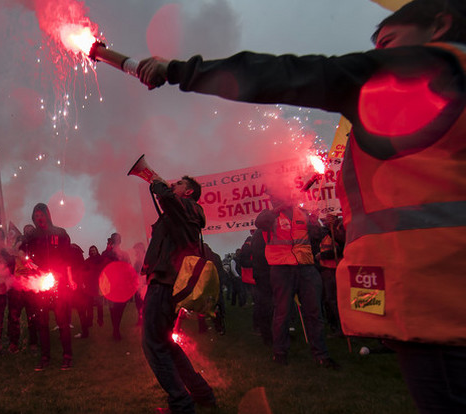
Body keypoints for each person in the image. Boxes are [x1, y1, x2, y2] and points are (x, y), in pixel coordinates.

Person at [137, 2, 466, 409]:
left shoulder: (416, 73)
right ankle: (275, 354)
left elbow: (285, 74)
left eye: (389, 41)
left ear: (441, 25)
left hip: (437, 294)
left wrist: (177, 70)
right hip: (431, 293)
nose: (378, 54)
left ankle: (207, 391)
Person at [141, 175, 216, 414]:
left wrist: (160, 186)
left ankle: (182, 404)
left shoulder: (190, 207)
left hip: (164, 282)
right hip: (166, 281)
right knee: (165, 344)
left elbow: (168, 199)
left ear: (189, 192)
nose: (174, 185)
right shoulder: (182, 211)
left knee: (153, 345)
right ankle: (201, 393)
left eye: (179, 185)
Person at [255, 191, 336, 368]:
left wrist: (317, 223)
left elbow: (315, 236)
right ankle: (280, 353)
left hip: (306, 267)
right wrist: (279, 208)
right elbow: (259, 222)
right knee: (283, 312)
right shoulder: (269, 215)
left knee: (314, 312)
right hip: (282, 269)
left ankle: (321, 354)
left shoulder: (302, 214)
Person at [19, 203, 74, 371]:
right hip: (40, 284)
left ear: (47, 215)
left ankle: (67, 356)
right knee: (42, 323)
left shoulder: (60, 233)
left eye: (41, 214)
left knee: (62, 321)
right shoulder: (31, 236)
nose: (39, 218)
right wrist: (26, 261)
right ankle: (45, 357)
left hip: (58, 282)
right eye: (35, 216)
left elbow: (67, 258)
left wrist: (70, 278)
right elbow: (22, 253)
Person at [100, 232, 132, 341]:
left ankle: (116, 328)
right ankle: (116, 330)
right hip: (112, 285)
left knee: (120, 308)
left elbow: (129, 268)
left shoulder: (124, 254)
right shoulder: (107, 253)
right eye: (115, 239)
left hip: (122, 285)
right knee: (113, 309)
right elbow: (102, 264)